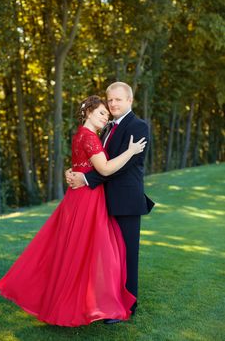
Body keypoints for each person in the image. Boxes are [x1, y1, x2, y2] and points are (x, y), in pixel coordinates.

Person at [0, 95, 147, 327]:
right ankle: (83, 302)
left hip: (82, 196)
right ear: (88, 113)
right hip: (88, 199)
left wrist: (77, 173)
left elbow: (83, 164)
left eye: (106, 114)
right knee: (89, 251)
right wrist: (131, 150)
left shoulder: (82, 135)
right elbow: (105, 169)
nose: (105, 117)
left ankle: (83, 298)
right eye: (101, 112)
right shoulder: (91, 137)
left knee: (78, 250)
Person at [65, 82, 155, 323]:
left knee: (126, 254)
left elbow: (123, 166)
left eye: (118, 99)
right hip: (103, 200)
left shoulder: (138, 126)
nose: (113, 104)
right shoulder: (106, 128)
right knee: (109, 256)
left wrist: (85, 179)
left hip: (126, 200)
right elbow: (96, 161)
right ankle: (107, 302)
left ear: (129, 101)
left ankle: (128, 305)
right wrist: (76, 171)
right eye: (110, 100)